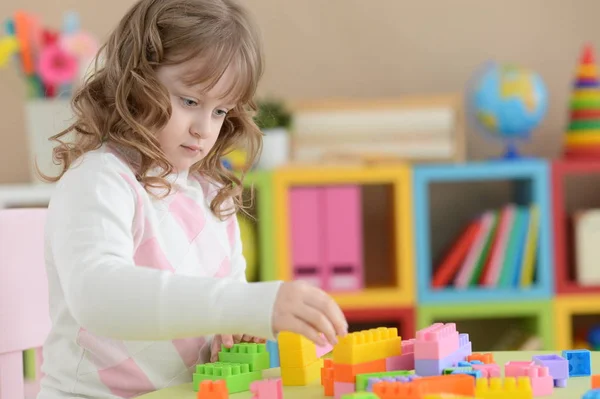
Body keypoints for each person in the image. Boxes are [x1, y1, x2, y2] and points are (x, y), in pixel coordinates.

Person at [37, 0, 347, 398]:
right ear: (136, 82)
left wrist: (234, 332)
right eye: (189, 101)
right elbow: (97, 295)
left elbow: (225, 304)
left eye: (220, 111)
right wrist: (246, 305)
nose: (204, 128)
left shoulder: (211, 194)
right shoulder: (98, 181)